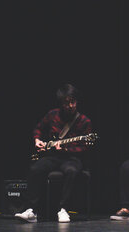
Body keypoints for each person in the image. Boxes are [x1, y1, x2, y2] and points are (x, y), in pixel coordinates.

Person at [15, 83, 93, 223]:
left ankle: (62, 209)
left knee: (71, 170)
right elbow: (38, 128)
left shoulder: (84, 121)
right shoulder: (53, 115)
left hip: (72, 158)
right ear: (61, 103)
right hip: (53, 156)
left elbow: (85, 148)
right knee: (35, 169)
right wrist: (37, 140)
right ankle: (31, 210)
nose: (70, 106)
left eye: (73, 102)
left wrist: (66, 149)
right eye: (66, 103)